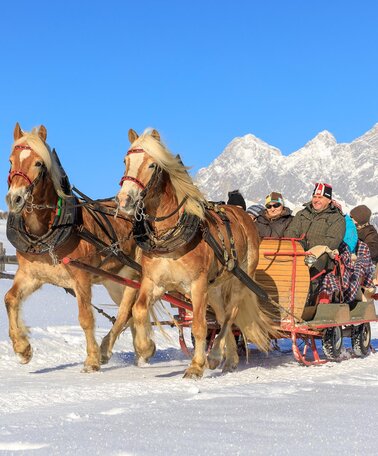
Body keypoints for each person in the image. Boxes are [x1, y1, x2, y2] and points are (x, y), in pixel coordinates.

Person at [284, 182, 346, 281]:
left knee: (317, 261)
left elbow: (332, 241)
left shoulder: (337, 218)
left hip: (320, 255)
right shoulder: (302, 214)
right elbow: (291, 231)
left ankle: (310, 290)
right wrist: (299, 245)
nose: (316, 200)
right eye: (314, 196)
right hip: (298, 250)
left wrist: (310, 249)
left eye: (320, 197)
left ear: (329, 200)